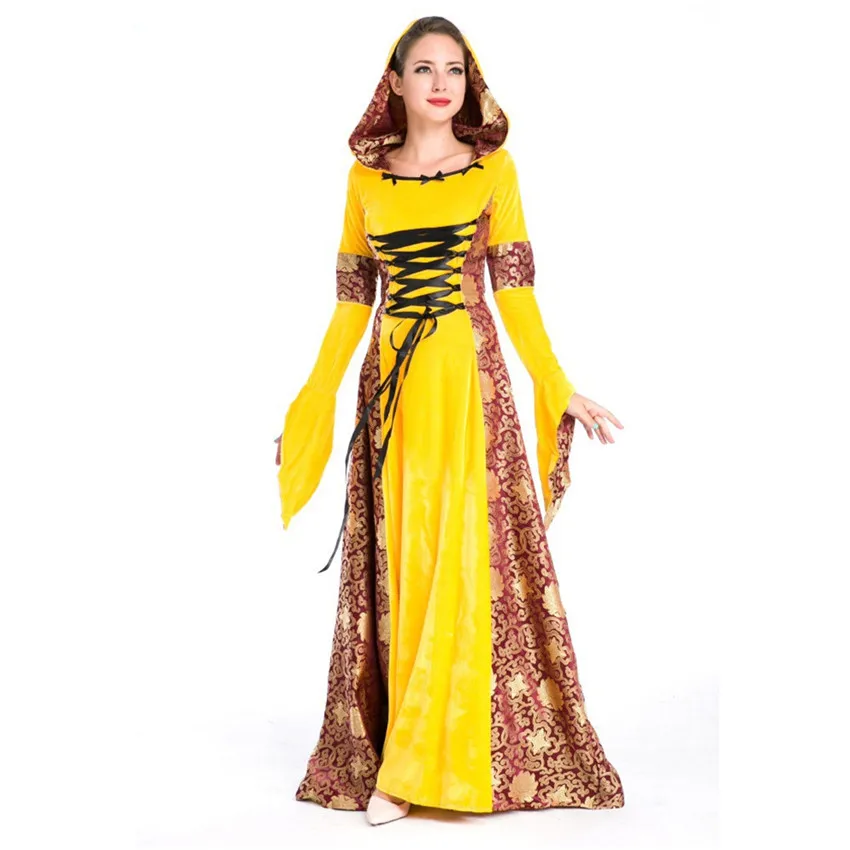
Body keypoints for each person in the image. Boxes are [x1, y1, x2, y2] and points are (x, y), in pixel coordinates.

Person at [275, 16, 625, 826]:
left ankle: (420, 769)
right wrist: (314, 400)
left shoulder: (494, 170)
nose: (441, 83)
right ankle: (407, 751)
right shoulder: (364, 181)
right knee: (408, 563)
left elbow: (516, 292)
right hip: (393, 395)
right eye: (425, 69)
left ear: (471, 83)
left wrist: (557, 384)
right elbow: (352, 304)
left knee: (462, 564)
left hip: (470, 385)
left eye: (455, 70)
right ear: (394, 82)